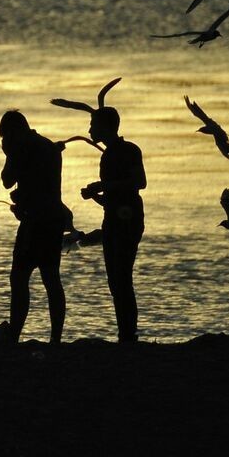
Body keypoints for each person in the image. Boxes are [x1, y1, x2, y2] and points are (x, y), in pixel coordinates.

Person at [0, 110, 68, 344]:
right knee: (51, 278)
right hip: (53, 219)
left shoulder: (20, 148)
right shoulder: (48, 146)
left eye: (4, 136)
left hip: (34, 223)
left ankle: (14, 336)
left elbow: (7, 180)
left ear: (11, 133)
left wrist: (8, 154)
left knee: (19, 278)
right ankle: (56, 337)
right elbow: (42, 184)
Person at [81, 106, 146, 343]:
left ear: (106, 127)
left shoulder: (129, 150)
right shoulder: (107, 155)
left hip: (128, 221)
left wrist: (104, 186)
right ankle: (125, 333)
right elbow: (112, 199)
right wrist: (95, 195)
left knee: (122, 277)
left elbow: (140, 182)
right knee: (115, 279)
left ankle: (128, 334)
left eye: (93, 125)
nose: (89, 129)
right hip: (113, 220)